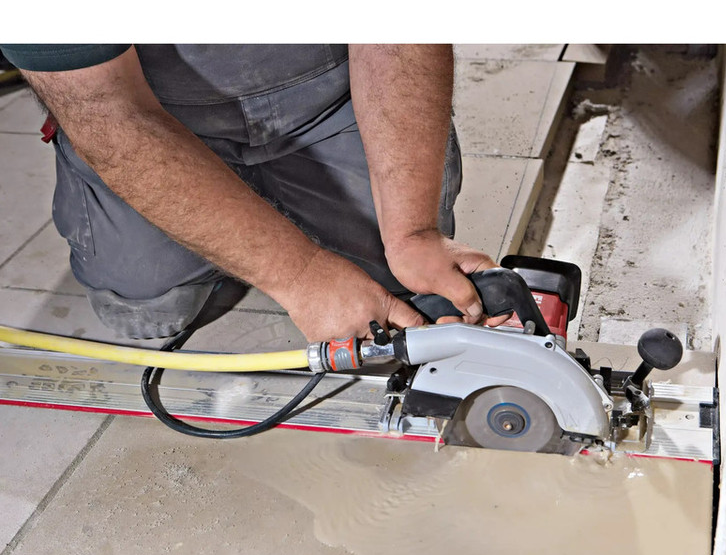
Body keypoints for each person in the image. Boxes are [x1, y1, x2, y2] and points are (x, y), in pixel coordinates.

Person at [0, 44, 505, 341]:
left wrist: (413, 232)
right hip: (152, 116)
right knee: (146, 308)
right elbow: (109, 114)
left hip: (327, 97)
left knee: (397, 288)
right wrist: (301, 276)